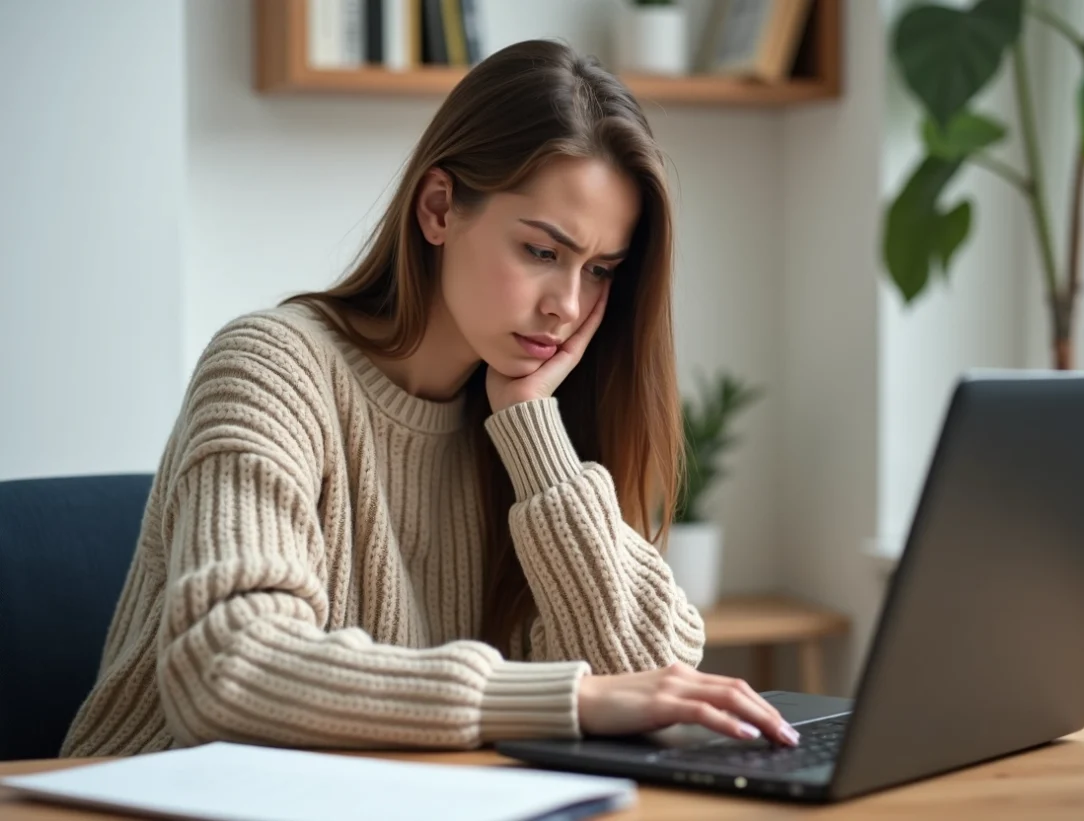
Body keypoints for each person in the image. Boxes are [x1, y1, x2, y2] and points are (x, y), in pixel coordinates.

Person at [62, 39, 798, 757]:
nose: (568, 305)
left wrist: (532, 431)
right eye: (542, 252)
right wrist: (560, 700)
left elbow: (647, 674)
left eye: (600, 269)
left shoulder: (526, 418)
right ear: (440, 208)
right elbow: (227, 669)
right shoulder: (272, 366)